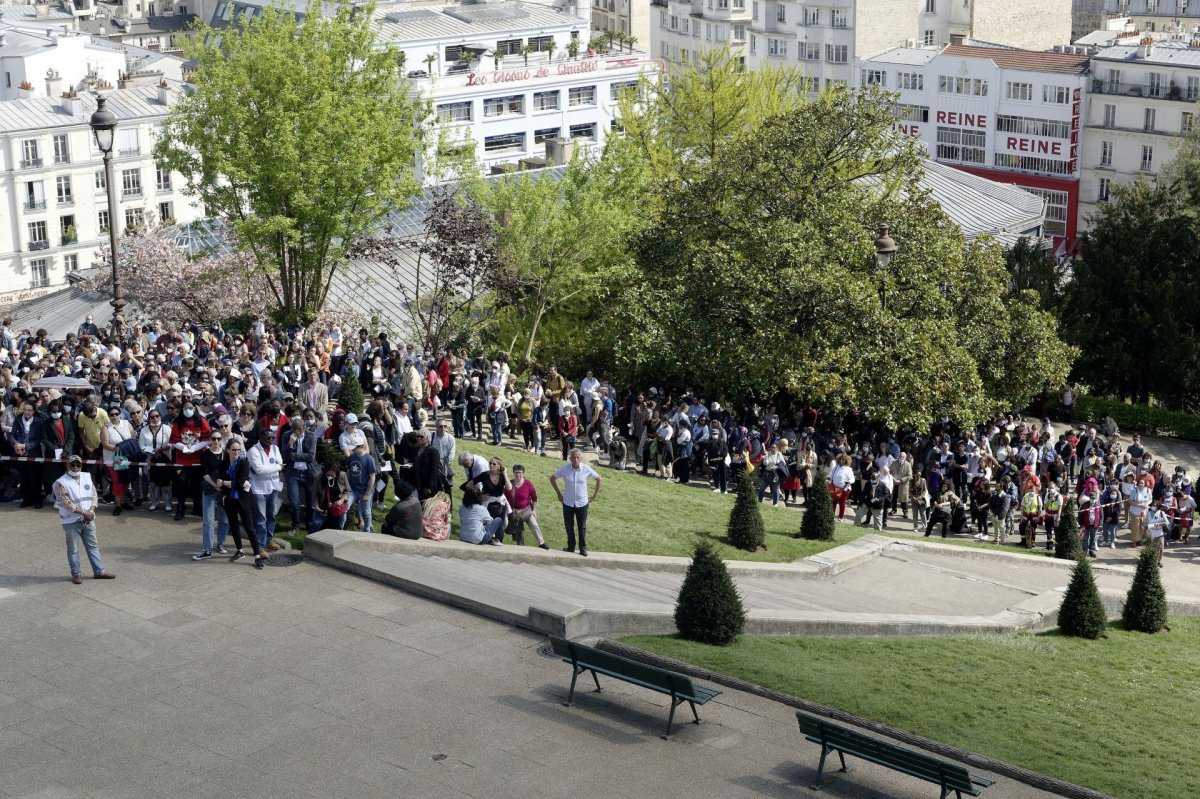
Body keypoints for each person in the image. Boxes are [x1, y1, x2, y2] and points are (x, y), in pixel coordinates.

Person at [53, 454, 116, 584]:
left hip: (89, 518)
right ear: (67, 465)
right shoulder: (60, 482)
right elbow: (66, 503)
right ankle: (76, 573)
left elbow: (93, 494)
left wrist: (91, 511)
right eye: (73, 464)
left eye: (78, 464)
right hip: (71, 521)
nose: (76, 467)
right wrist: (84, 513)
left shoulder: (87, 476)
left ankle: (99, 571)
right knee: (73, 549)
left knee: (93, 546)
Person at [220, 438, 268, 569]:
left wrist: (226, 483)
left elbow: (241, 482)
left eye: (238, 450)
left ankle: (257, 555)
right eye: (233, 449)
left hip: (243, 499)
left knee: (249, 527)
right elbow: (220, 481)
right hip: (229, 499)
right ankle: (240, 550)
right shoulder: (224, 464)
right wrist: (227, 484)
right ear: (228, 450)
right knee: (234, 525)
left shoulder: (244, 463)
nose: (236, 452)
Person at [551, 447, 602, 556]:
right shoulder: (565, 469)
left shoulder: (586, 469)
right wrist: (559, 494)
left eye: (578, 457)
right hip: (568, 502)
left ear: (581, 458)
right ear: (569, 458)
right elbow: (552, 478)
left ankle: (582, 548)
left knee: (582, 526)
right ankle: (571, 547)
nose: (576, 460)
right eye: (573, 457)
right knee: (569, 526)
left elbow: (599, 479)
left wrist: (594, 495)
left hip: (582, 503)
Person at [195, 428, 230, 560]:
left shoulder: (226, 454)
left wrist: (223, 485)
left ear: (222, 440)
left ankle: (221, 543)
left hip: (223, 490)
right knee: (208, 520)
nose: (216, 441)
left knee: (224, 518)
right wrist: (215, 485)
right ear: (210, 440)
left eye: (218, 438)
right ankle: (207, 547)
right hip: (210, 489)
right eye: (214, 438)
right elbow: (204, 473)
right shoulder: (204, 454)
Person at [248, 429, 284, 550]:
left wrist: (271, 468)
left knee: (271, 516)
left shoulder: (275, 449)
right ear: (261, 437)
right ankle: (260, 546)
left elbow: (281, 464)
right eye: (268, 438)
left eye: (272, 438)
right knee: (260, 518)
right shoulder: (253, 451)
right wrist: (276, 467)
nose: (271, 440)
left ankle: (268, 540)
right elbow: (259, 470)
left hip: (273, 487)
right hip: (259, 489)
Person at [505, 464, 546, 548]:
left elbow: (534, 498)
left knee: (534, 525)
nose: (518, 474)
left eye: (520, 472)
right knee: (518, 531)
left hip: (526, 510)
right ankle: (521, 546)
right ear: (513, 473)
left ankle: (541, 543)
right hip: (514, 512)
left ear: (523, 473)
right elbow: (504, 497)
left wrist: (534, 510)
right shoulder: (509, 484)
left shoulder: (528, 484)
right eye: (516, 472)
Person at [346, 438, 378, 532]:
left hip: (364, 490)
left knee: (367, 512)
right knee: (345, 508)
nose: (352, 450)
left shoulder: (369, 459)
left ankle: (367, 530)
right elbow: (348, 471)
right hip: (352, 489)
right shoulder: (351, 457)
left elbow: (372, 477)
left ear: (361, 446)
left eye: (354, 448)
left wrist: (367, 494)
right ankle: (340, 527)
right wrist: (346, 487)